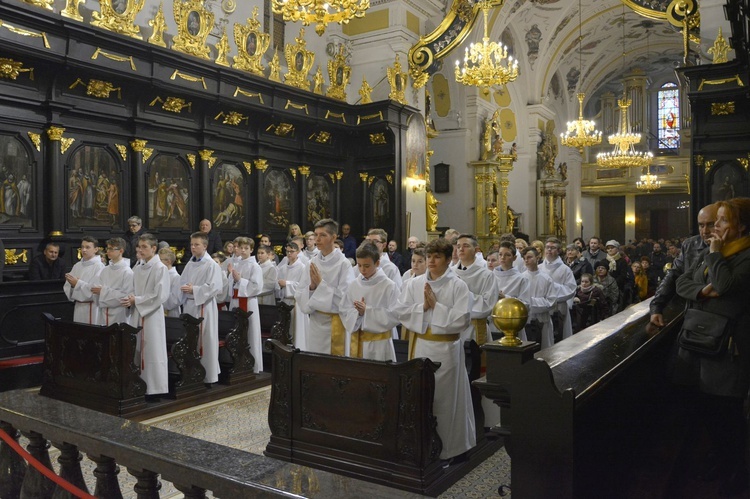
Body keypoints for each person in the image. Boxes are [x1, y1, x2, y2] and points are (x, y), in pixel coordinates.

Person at [674, 197, 750, 496]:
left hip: (730, 346)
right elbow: (683, 283)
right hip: (701, 340)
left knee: (727, 412)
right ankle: (721, 459)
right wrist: (703, 291)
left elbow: (728, 286)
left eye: (721, 221)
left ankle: (738, 472)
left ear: (741, 226)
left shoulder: (743, 256)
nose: (714, 227)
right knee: (708, 408)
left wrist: (716, 255)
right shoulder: (713, 251)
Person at [395, 238, 476, 461]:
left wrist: (436, 307)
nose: (431, 261)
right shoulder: (414, 283)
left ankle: (450, 449)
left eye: (437, 256)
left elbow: (462, 320)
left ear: (449, 259)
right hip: (421, 345)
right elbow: (400, 311)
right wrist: (422, 307)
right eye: (429, 256)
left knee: (445, 399)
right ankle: (422, 446)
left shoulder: (458, 285)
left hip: (446, 349)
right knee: (422, 398)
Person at [650, 203, 718, 327]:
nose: (705, 231)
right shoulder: (690, 245)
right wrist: (656, 306)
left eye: (711, 224)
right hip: (693, 313)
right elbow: (673, 275)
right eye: (701, 225)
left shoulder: (734, 247)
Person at [295, 219, 354, 355]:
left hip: (335, 323)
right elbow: (299, 293)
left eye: (322, 235)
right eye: (316, 235)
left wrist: (321, 285)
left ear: (333, 237)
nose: (317, 239)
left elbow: (346, 298)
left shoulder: (344, 264)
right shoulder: (312, 262)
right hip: (315, 323)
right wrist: (311, 288)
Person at [123, 233, 170, 398]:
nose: (140, 250)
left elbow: (160, 295)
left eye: (144, 247)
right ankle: (139, 384)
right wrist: (131, 298)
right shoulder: (138, 267)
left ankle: (155, 389)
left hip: (152, 315)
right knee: (138, 349)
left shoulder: (160, 268)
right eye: (138, 246)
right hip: (137, 312)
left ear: (154, 248)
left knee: (152, 350)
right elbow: (132, 287)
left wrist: (138, 300)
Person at [339, 242, 400, 361]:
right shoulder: (354, 285)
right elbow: (344, 310)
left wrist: (367, 311)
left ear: (377, 263)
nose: (362, 270)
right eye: (359, 265)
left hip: (379, 343)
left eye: (366, 266)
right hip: (356, 340)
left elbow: (396, 315)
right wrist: (357, 313)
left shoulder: (389, 286)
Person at [179, 231, 224, 384]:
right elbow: (182, 282)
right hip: (189, 305)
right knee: (191, 339)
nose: (193, 247)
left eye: (196, 244)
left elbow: (214, 287)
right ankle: (192, 371)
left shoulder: (211, 265)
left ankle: (208, 375)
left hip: (204, 306)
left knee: (205, 339)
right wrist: (185, 289)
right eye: (191, 244)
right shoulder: (190, 263)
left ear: (205, 246)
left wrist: (194, 290)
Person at [226, 236, 264, 372]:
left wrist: (240, 280)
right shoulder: (236, 264)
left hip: (248, 302)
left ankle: (252, 365)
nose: (242, 250)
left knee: (250, 332)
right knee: (236, 332)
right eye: (241, 247)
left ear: (251, 250)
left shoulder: (255, 266)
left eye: (246, 248)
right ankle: (237, 362)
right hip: (236, 301)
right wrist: (234, 279)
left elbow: (256, 287)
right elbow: (231, 284)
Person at [454, 234, 496, 348]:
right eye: (458, 246)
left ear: (476, 250)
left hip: (474, 329)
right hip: (452, 328)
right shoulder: (450, 273)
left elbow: (488, 306)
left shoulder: (486, 275)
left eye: (466, 246)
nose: (461, 249)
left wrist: (462, 293)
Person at [539, 237, 577, 342]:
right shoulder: (539, 268)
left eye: (553, 248)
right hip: (541, 308)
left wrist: (551, 286)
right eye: (547, 247)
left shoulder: (565, 269)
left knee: (559, 341)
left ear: (559, 250)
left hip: (558, 309)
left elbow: (571, 289)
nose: (549, 250)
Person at [91, 238, 134, 326]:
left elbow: (126, 297)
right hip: (103, 313)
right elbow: (97, 292)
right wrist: (98, 292)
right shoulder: (105, 270)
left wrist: (103, 291)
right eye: (107, 248)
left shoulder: (127, 272)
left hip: (119, 314)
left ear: (121, 251)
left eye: (111, 249)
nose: (108, 251)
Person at [64, 236, 105, 324]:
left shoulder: (99, 266)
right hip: (78, 306)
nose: (84, 250)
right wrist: (71, 285)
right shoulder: (77, 265)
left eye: (87, 247)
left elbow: (95, 289)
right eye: (82, 247)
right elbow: (68, 287)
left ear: (96, 249)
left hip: (92, 307)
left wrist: (77, 283)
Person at [521, 247, 557, 349]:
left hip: (542, 321)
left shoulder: (546, 278)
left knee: (544, 350)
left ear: (538, 257)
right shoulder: (521, 278)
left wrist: (530, 302)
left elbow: (551, 302)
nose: (526, 260)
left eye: (529, 257)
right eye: (524, 258)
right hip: (526, 321)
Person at [277, 241, 308, 350]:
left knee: (296, 330)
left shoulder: (303, 267)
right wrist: (280, 285)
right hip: (285, 301)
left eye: (292, 251)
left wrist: (287, 284)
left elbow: (303, 286)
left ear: (297, 252)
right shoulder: (283, 268)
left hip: (296, 303)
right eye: (287, 251)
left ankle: (298, 348)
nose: (289, 254)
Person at [158, 247, 182, 318]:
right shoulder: (158, 275)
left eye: (160, 260)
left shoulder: (176, 277)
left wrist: (158, 300)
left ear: (168, 261)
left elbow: (175, 299)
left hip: (170, 314)